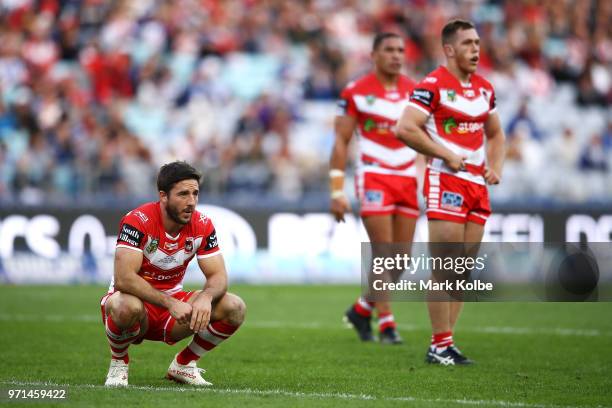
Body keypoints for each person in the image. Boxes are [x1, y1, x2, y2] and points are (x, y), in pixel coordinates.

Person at [396, 19, 505, 365]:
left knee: (462, 270)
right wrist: (444, 154)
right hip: (445, 180)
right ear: (449, 49)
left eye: (477, 42)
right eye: (468, 43)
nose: (476, 48)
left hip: (476, 185)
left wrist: (496, 167)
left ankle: (445, 343)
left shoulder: (485, 89)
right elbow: (404, 128)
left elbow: (497, 133)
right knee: (445, 265)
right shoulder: (432, 85)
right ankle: (439, 345)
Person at [100, 161, 246, 386]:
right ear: (163, 196)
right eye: (183, 194)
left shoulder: (203, 225)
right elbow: (123, 279)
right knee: (126, 307)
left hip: (172, 308)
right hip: (135, 303)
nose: (191, 202)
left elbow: (218, 275)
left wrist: (206, 298)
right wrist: (169, 303)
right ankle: (118, 363)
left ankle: (184, 364)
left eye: (195, 194)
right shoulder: (137, 221)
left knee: (234, 307)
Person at [330, 32, 419, 344]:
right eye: (389, 50)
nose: (396, 55)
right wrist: (336, 191)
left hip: (408, 177)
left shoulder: (416, 91)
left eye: (400, 50)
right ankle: (387, 324)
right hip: (374, 176)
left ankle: (362, 308)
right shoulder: (356, 91)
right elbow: (341, 141)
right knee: (384, 253)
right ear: (374, 55)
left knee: (402, 259)